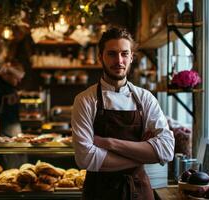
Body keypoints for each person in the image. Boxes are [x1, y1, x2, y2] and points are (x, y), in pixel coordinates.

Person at [71, 27, 175, 200]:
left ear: (131, 57)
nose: (119, 60)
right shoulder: (85, 100)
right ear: (100, 58)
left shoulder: (145, 98)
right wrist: (142, 156)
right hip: (99, 192)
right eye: (112, 54)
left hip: (139, 190)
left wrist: (109, 143)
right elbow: (85, 158)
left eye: (124, 54)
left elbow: (166, 150)